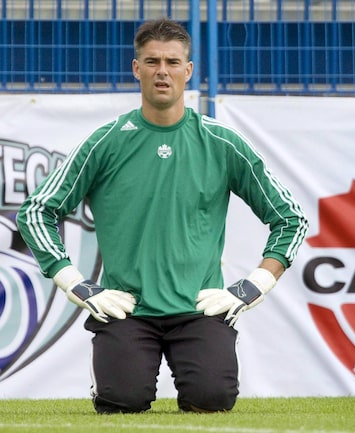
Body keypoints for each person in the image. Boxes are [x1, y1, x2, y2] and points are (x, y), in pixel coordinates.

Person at [17, 18, 308, 414]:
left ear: (188, 71)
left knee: (212, 399)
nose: (162, 72)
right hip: (126, 309)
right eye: (152, 62)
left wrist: (255, 284)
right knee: (122, 401)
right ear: (136, 69)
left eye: (172, 62)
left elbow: (291, 218)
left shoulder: (222, 143)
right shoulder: (106, 142)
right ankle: (111, 378)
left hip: (200, 309)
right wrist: (76, 284)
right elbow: (37, 211)